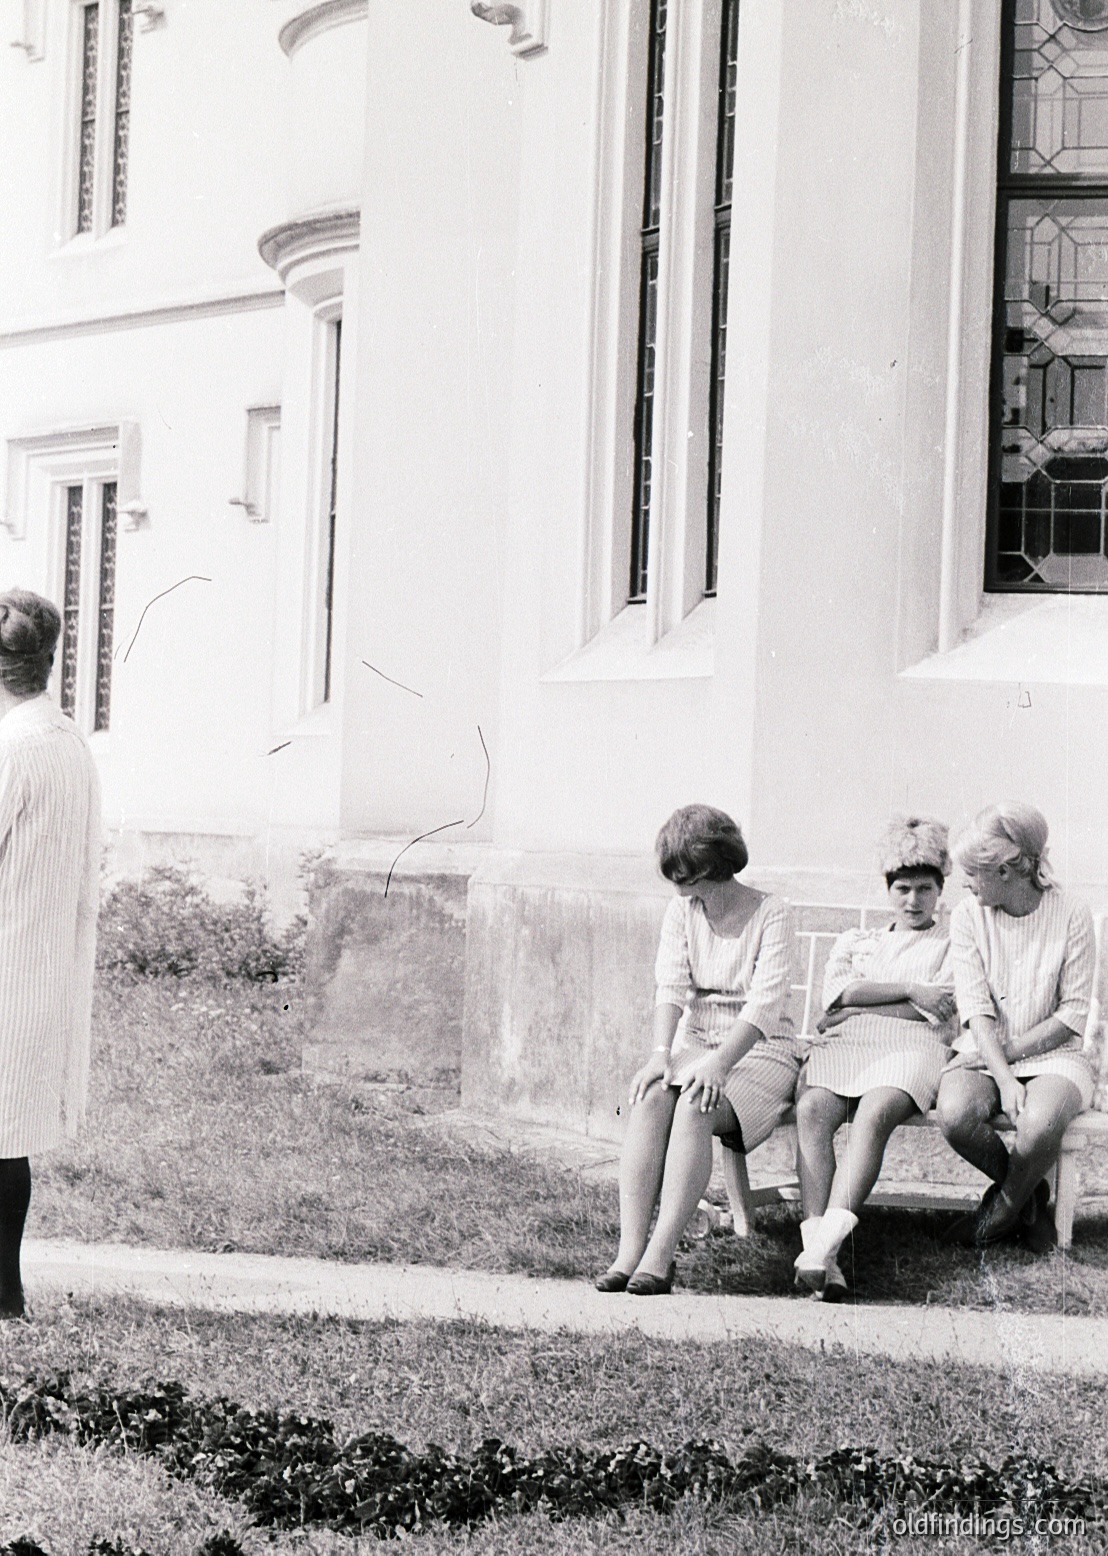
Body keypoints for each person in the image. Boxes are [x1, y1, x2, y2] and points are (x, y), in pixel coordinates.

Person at [595, 804, 799, 1295]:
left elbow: (766, 1008)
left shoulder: (774, 913)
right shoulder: (682, 911)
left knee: (695, 1104)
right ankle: (629, 1252)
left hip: (759, 1050)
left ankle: (661, 1258)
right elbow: (670, 986)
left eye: (684, 869)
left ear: (712, 863)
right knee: (651, 1097)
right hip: (697, 1042)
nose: (676, 880)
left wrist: (719, 1065)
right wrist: (661, 1053)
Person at [793, 817, 957, 1298]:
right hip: (852, 1044)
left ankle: (819, 1251)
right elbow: (834, 994)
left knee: (875, 1111)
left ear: (940, 889)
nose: (913, 900)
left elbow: (941, 1007)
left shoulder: (950, 945)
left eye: (924, 888)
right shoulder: (858, 941)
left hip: (914, 1045)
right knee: (812, 1109)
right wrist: (909, 989)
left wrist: (857, 1003)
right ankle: (825, 1256)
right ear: (888, 889)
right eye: (903, 888)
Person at [0, 591, 101, 1317]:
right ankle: (5, 1292)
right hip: (37, 968)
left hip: (10, 960)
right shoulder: (65, 739)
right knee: (6, 1139)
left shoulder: (13, 749)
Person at [936, 803, 1094, 1252]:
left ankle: (998, 1215)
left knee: (1041, 1124)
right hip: (984, 1050)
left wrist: (1007, 1060)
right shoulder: (968, 915)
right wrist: (1002, 1075)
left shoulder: (1072, 913)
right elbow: (975, 1007)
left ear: (1006, 871)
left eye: (972, 872)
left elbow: (1071, 1017)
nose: (964, 882)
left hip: (1055, 1054)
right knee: (955, 1116)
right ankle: (1029, 1202)